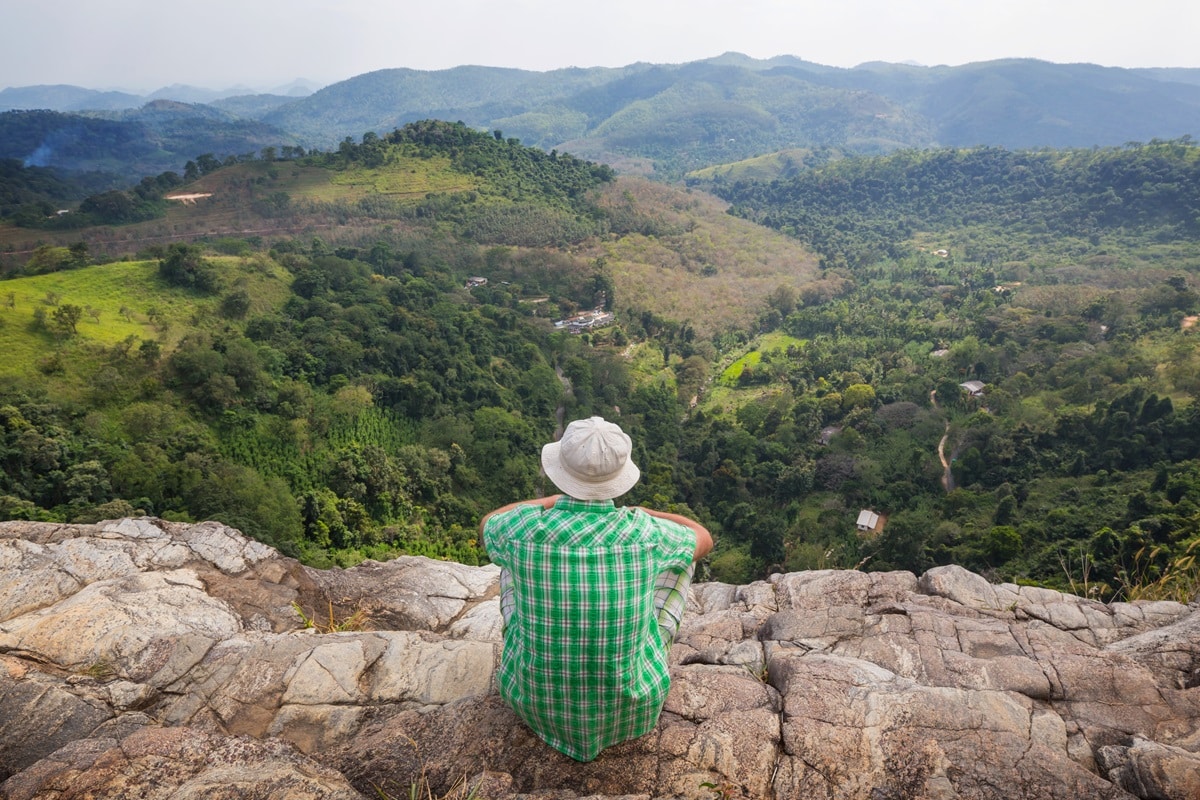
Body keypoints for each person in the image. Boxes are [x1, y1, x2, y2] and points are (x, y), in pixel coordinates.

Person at [480, 416, 713, 762]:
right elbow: (704, 537)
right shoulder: (646, 533)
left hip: (534, 703)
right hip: (633, 708)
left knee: (510, 565)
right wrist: (645, 511)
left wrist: (549, 502)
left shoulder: (521, 530)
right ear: (618, 479)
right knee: (683, 559)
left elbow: (488, 523)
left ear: (559, 470)